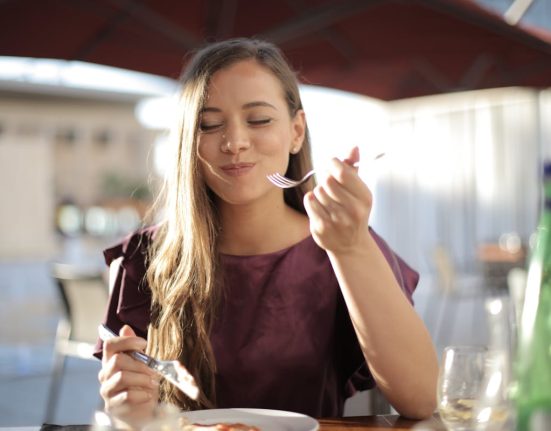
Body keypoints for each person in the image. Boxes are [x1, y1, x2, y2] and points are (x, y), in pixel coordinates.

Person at [95, 37, 438, 428]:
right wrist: (128, 410)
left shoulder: (344, 244)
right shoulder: (144, 258)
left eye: (258, 120)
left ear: (296, 131)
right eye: (209, 124)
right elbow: (134, 413)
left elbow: (422, 398)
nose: (235, 142)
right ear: (189, 142)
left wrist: (351, 248)